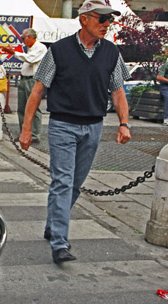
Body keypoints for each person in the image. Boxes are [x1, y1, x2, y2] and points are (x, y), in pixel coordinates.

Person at [21, 0, 131, 264]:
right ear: (84, 19)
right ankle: (60, 243)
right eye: (101, 19)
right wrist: (26, 130)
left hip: (93, 126)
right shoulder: (58, 51)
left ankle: (53, 225)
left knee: (75, 185)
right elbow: (37, 91)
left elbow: (118, 91)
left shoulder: (111, 53)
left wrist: (124, 124)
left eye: (109, 20)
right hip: (62, 126)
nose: (107, 25)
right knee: (62, 182)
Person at [3, 28, 47, 143]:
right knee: (22, 107)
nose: (22, 41)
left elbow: (31, 59)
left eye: (23, 38)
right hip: (24, 79)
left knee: (33, 107)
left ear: (30, 38)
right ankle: (24, 133)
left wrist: (14, 53)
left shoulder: (41, 48)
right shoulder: (29, 48)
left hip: (33, 80)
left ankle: (35, 134)